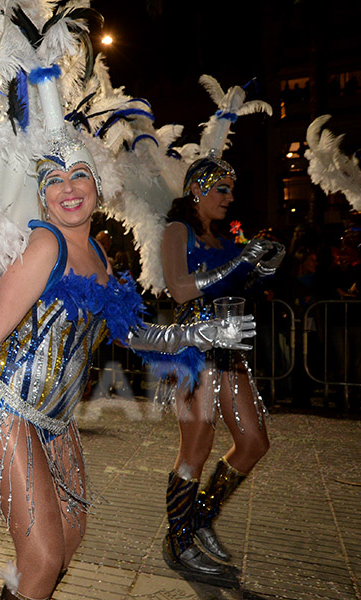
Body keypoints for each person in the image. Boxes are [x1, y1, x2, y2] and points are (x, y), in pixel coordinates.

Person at [0, 126, 255, 600]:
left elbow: (131, 332)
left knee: (68, 537)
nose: (68, 188)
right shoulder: (44, 244)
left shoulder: (97, 254)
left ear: (97, 185)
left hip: (55, 419)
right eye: (54, 179)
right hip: (5, 406)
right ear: (42, 196)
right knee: (44, 555)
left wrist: (197, 332)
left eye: (79, 175)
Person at [153, 155, 284, 578]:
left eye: (231, 189)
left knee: (253, 442)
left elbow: (232, 284)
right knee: (196, 449)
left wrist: (260, 272)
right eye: (221, 189)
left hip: (229, 352)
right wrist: (237, 266)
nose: (230, 197)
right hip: (193, 352)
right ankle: (178, 540)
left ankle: (198, 520)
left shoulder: (222, 238)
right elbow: (177, 289)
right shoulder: (178, 231)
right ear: (196, 189)